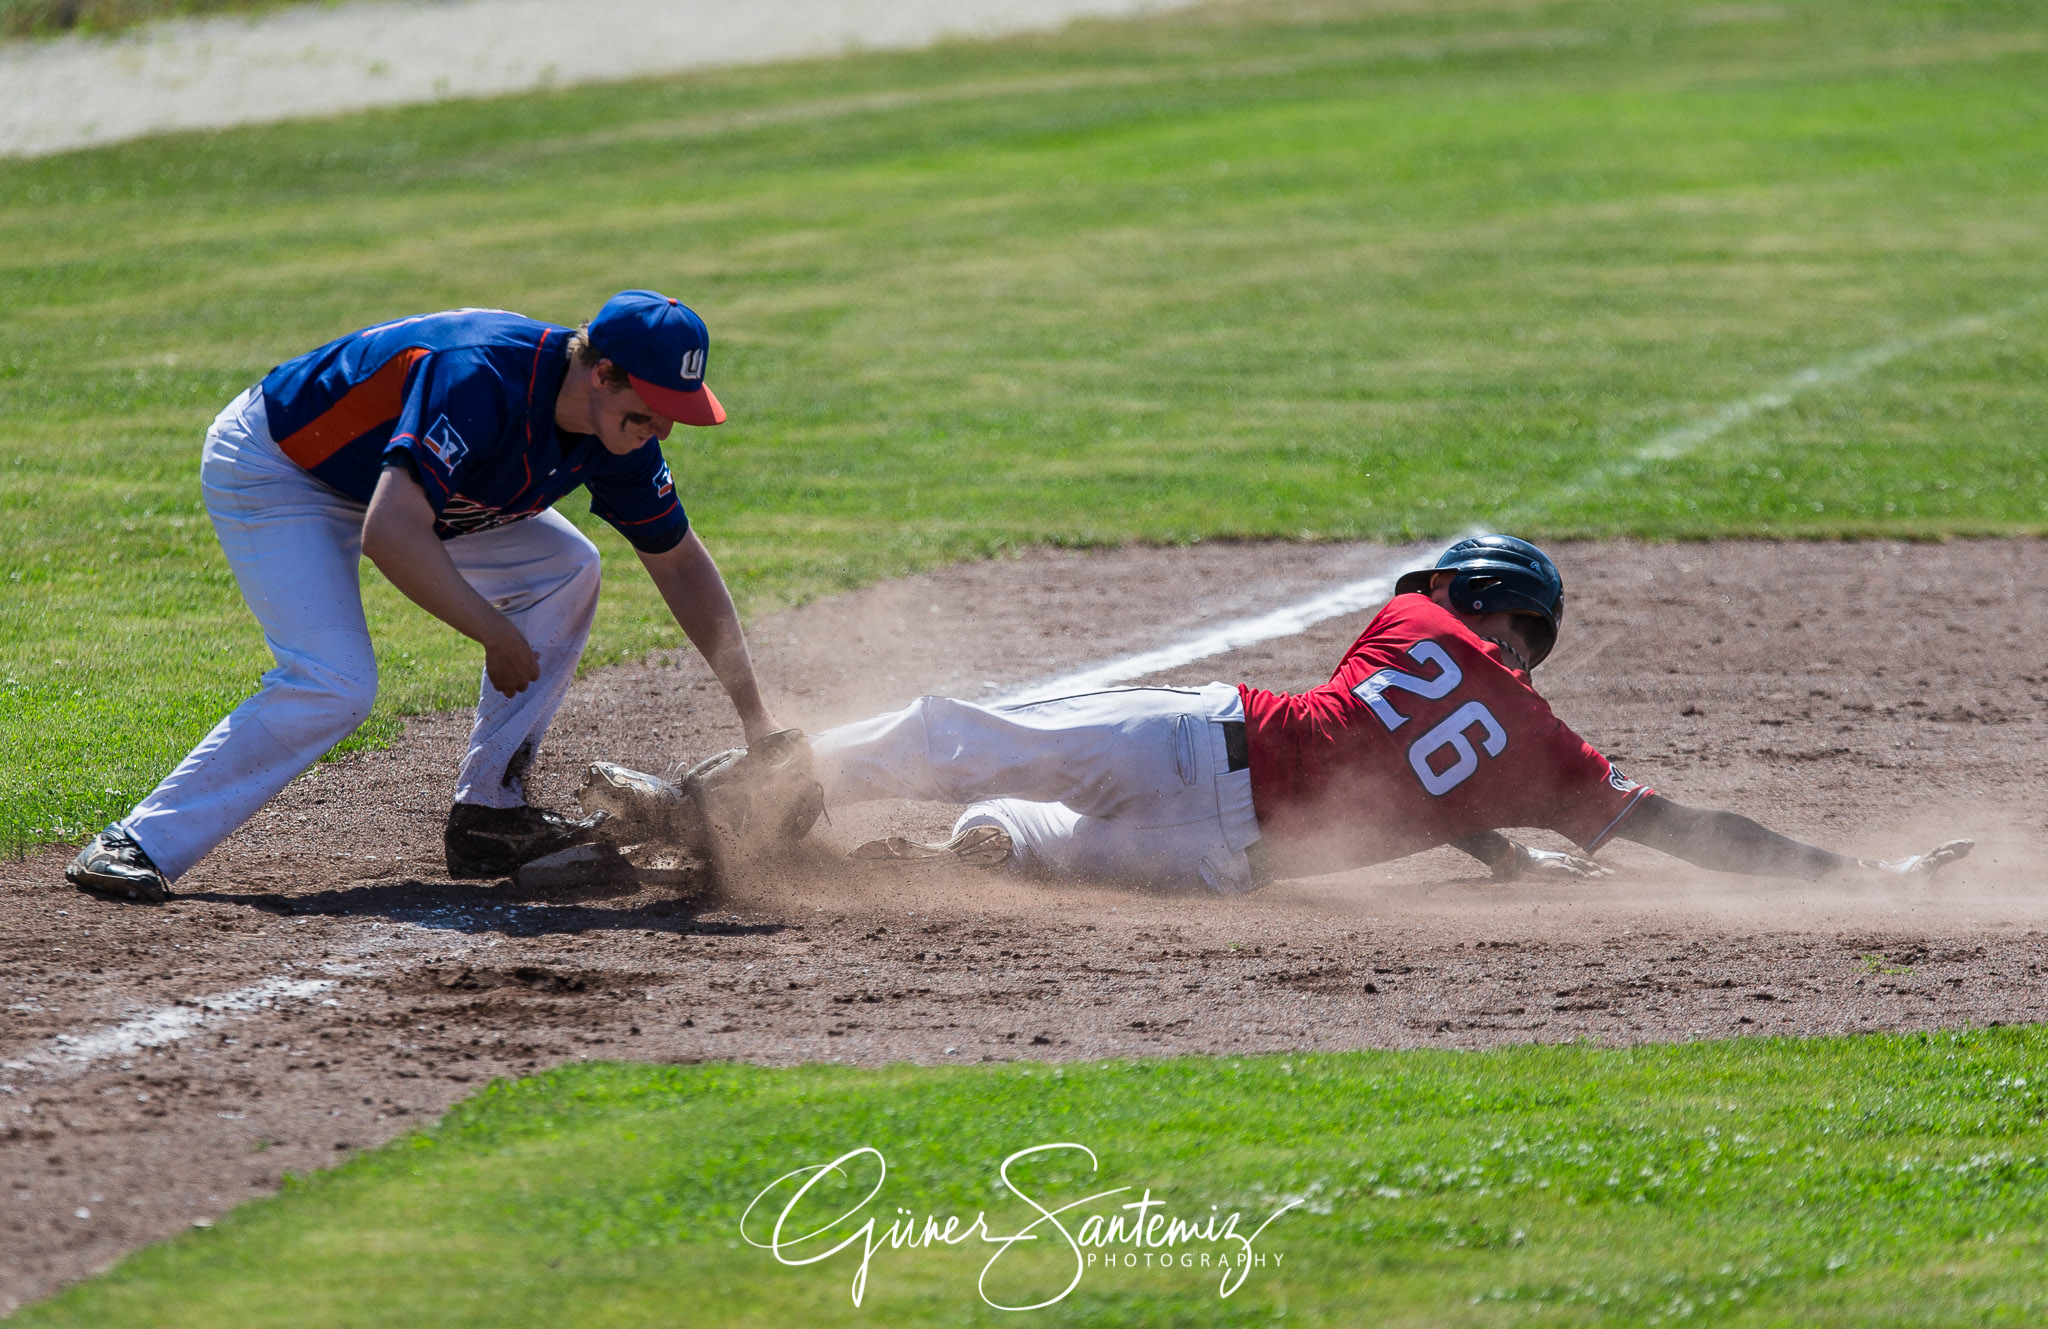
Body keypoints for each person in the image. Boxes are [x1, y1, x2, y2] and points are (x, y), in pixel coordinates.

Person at [66, 291, 783, 902]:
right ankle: (137, 841)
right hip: (284, 470)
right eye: (654, 407)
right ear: (603, 373)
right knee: (336, 682)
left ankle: (490, 816)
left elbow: (680, 566)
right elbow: (391, 533)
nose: (663, 427)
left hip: (410, 492)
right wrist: (493, 632)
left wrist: (760, 721)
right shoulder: (479, 377)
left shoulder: (615, 431)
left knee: (567, 566)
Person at [802, 536, 1971, 892]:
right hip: (1217, 866)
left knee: (959, 739)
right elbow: (1690, 830)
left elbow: (1373, 739)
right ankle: (985, 851)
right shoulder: (1545, 754)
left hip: (1199, 744)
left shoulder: (1413, 619)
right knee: (1043, 845)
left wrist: (1499, 855)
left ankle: (767, 785)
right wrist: (1865, 876)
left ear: (1469, 593)